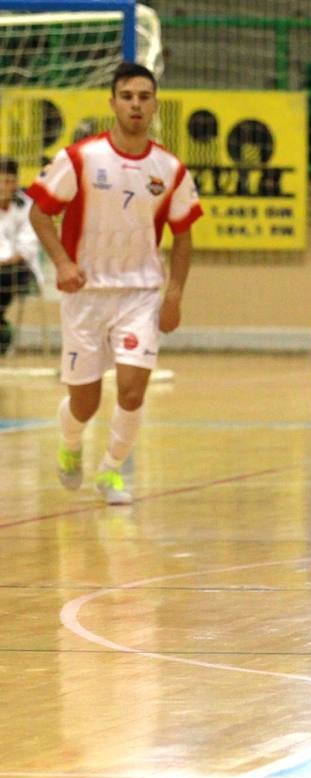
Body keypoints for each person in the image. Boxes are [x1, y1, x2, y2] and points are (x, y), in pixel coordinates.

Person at [28, 61, 202, 505]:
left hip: (140, 294)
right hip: (85, 294)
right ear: (113, 103)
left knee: (131, 388)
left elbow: (183, 235)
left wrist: (174, 294)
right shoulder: (81, 158)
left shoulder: (171, 169)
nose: (136, 105)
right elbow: (39, 213)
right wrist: (64, 264)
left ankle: (111, 471)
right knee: (84, 402)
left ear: (155, 105)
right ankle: (70, 447)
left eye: (144, 97)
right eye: (127, 97)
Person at [0, 156, 44, 355]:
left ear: (16, 182)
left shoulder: (27, 206)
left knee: (6, 274)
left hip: (19, 269)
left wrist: (6, 260)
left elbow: (27, 248)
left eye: (8, 181)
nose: (3, 186)